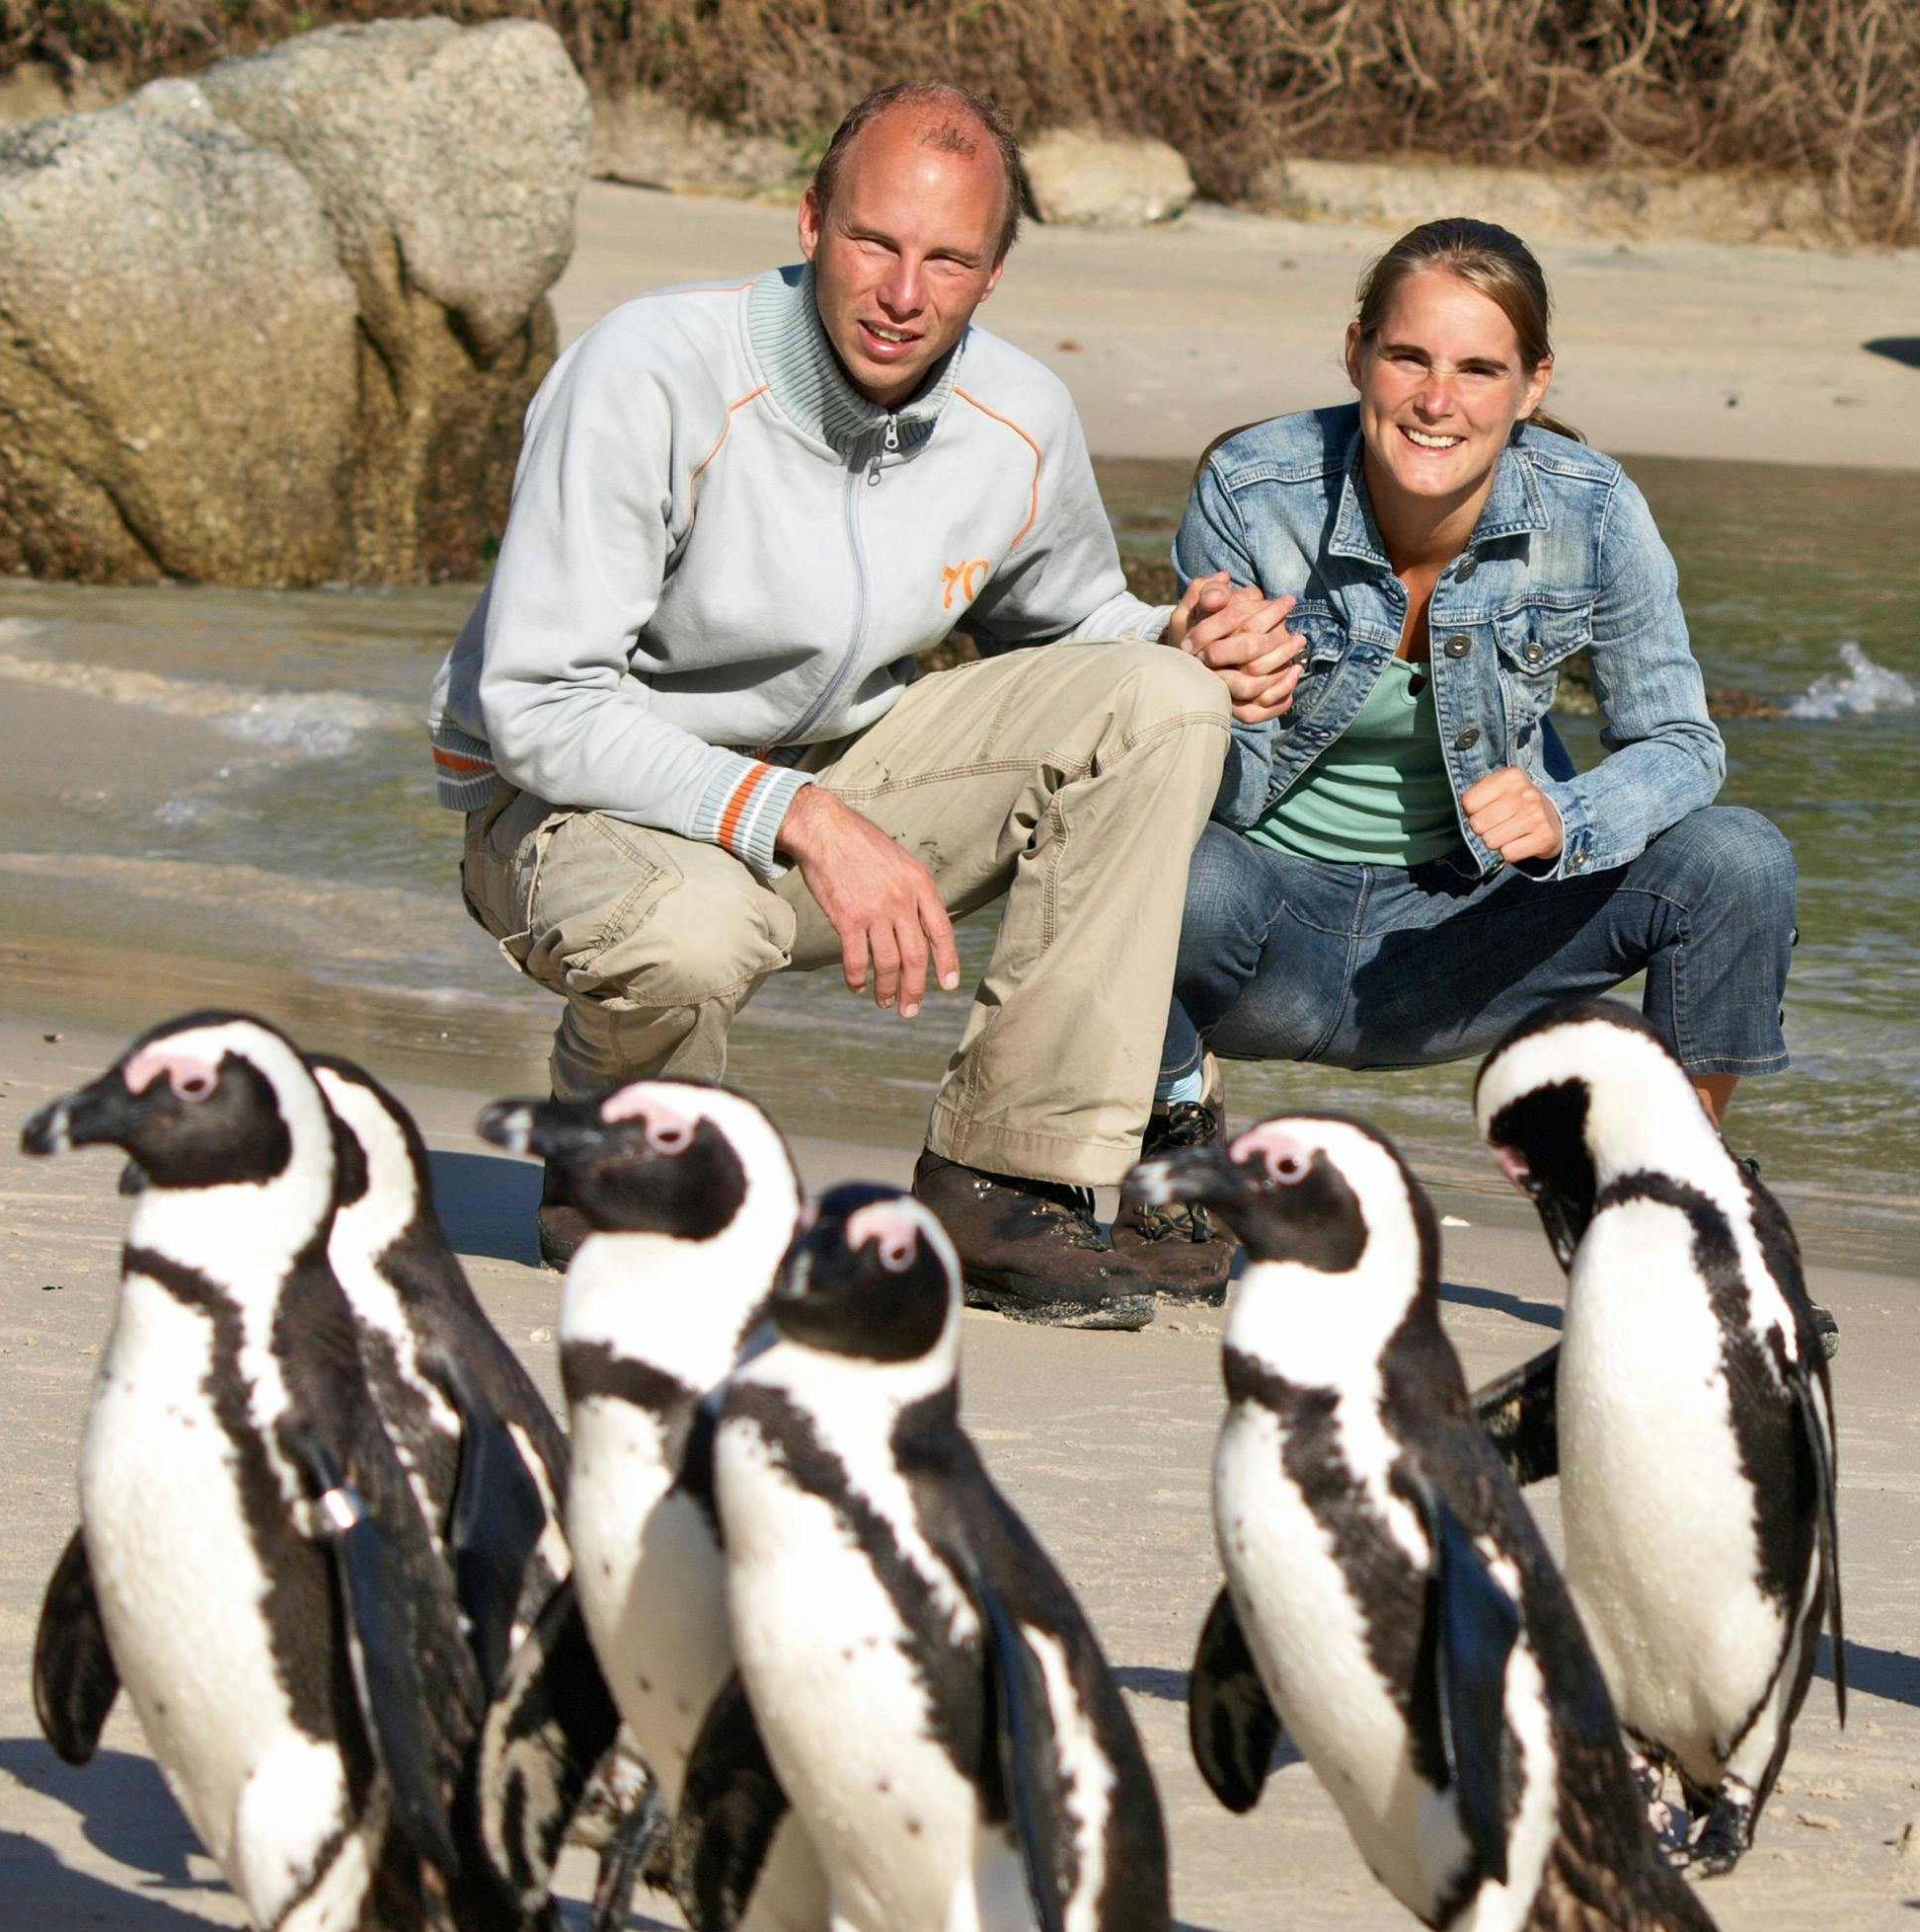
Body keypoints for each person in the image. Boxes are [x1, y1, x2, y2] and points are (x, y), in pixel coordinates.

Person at [428, 82, 1298, 1325]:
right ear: (810, 223)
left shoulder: (1020, 416)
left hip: (831, 778)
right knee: (689, 931)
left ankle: (1006, 1181)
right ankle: (619, 1137)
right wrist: (804, 817)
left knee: (1163, 703)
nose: (902, 293)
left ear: (992, 273)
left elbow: (1070, 627)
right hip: (568, 806)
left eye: (947, 259)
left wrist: (1180, 634)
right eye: (872, 242)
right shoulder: (647, 372)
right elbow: (537, 705)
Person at [1131, 217, 1799, 1255]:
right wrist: (1192, 679)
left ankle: (1670, 1195)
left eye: (1479, 369)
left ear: (1532, 385)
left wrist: (1565, 817)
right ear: (1357, 353)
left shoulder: (1595, 512)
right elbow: (1187, 779)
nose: (1437, 402)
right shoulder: (1252, 488)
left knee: (1739, 859)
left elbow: (1682, 743)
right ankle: (1175, 1114)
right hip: (1264, 932)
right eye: (1409, 358)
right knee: (1168, 865)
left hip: (1466, 939)